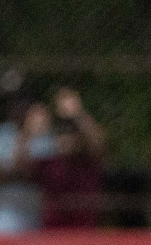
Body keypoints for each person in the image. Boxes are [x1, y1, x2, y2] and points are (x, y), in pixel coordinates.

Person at [0, 98, 54, 233]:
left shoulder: (44, 137)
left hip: (35, 218)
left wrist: (7, 172)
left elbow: (43, 174)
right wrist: (18, 172)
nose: (20, 109)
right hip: (3, 217)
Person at [37, 88, 105, 229]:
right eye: (63, 133)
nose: (67, 138)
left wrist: (77, 114)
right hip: (53, 230)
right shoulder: (49, 160)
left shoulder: (87, 160)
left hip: (84, 230)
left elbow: (98, 143)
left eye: (72, 134)